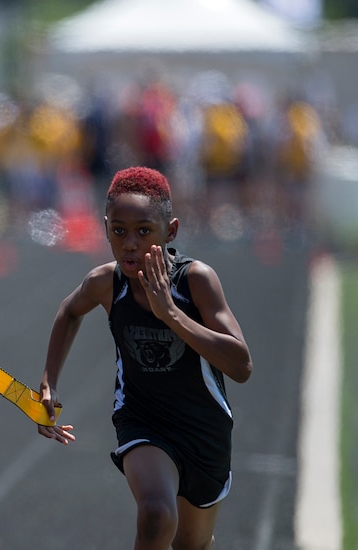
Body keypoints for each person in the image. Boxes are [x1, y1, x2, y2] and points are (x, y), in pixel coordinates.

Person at [37, 166, 252, 549]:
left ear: (170, 231)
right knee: (155, 515)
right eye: (118, 231)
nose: (130, 244)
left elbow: (241, 365)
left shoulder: (196, 281)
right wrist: (49, 382)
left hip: (204, 429)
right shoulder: (106, 283)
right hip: (142, 419)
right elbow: (69, 311)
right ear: (105, 228)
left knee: (192, 544)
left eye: (144, 231)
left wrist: (170, 313)